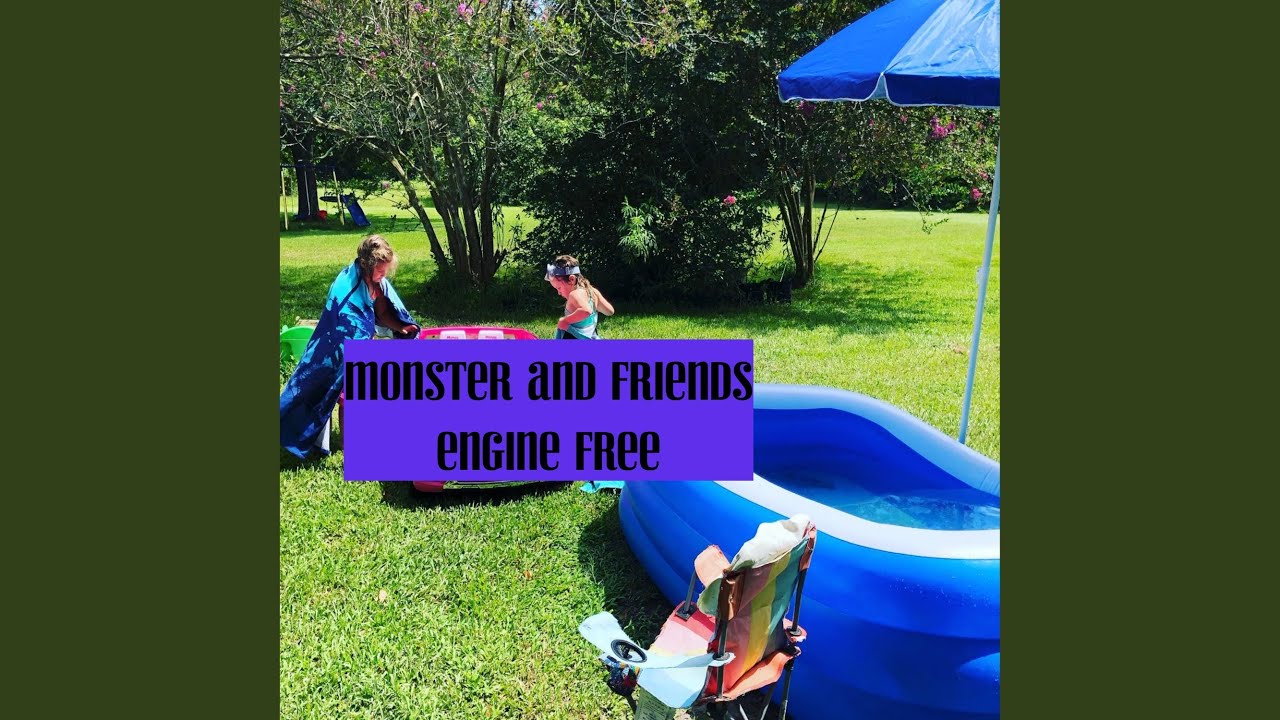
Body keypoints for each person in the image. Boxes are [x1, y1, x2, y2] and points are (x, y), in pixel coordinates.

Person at [280, 235, 420, 457]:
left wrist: (400, 327)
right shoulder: (345, 288)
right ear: (367, 265)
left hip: (361, 347)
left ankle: (357, 440)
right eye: (380, 271)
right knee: (329, 393)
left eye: (386, 271)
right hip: (337, 351)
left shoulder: (378, 283)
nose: (384, 276)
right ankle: (340, 444)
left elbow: (383, 312)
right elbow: (341, 325)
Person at [546, 255, 615, 339]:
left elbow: (586, 311)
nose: (558, 293)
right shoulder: (593, 292)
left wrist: (565, 320)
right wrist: (595, 305)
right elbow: (610, 311)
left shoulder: (574, 294)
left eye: (559, 288)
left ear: (571, 280)